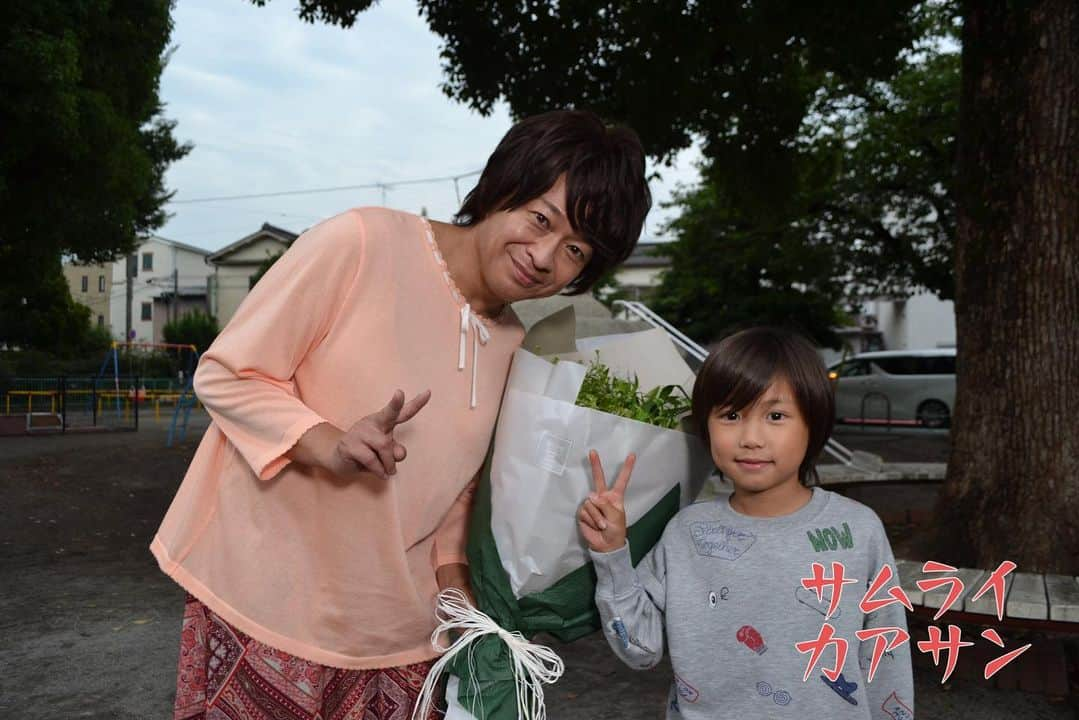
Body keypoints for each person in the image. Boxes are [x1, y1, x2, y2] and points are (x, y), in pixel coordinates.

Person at [152, 109, 651, 720]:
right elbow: (229, 372)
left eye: (574, 250)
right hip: (270, 606)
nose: (545, 256)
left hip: (399, 639)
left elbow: (460, 498)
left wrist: (466, 608)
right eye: (540, 218)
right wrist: (326, 441)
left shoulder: (519, 350)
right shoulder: (361, 242)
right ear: (502, 186)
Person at [578, 327, 914, 719]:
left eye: (776, 415)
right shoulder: (687, 534)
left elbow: (885, 657)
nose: (751, 437)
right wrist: (612, 554)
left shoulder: (858, 531)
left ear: (814, 423)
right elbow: (640, 650)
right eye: (732, 415)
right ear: (706, 425)